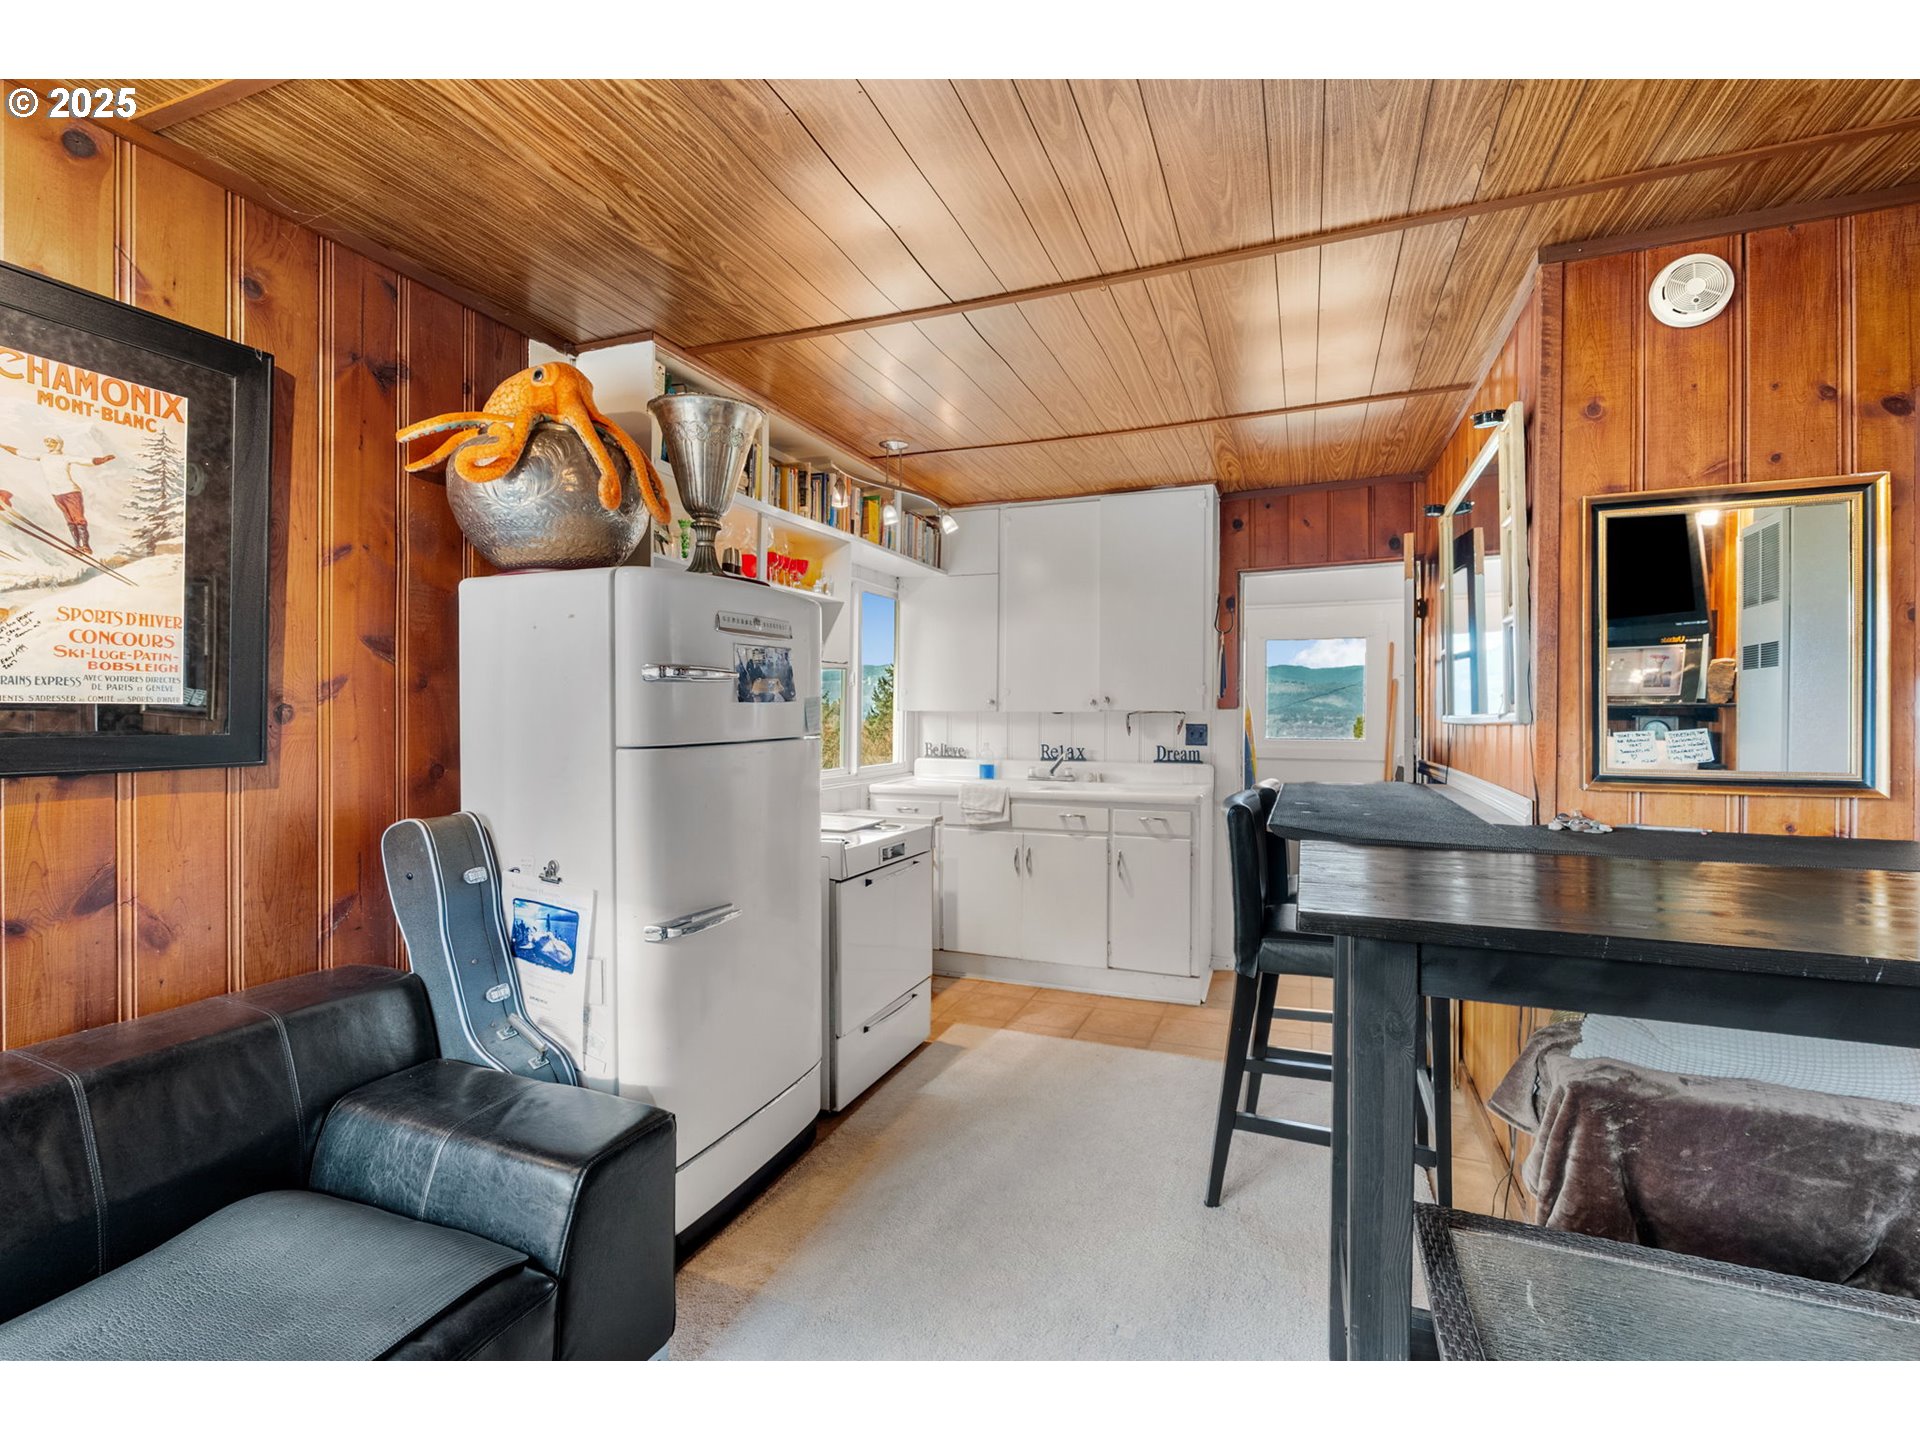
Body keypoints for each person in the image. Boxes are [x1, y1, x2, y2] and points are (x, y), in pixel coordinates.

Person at [0, 435, 115, 554]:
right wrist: (3, 446)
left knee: (78, 519)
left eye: (52, 441)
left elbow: (86, 461)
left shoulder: (65, 458)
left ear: (58, 443)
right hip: (56, 494)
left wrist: (101, 460)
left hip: (71, 492)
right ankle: (77, 547)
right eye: (47, 441)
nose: (49, 444)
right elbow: (22, 453)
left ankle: (86, 546)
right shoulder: (43, 456)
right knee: (70, 520)